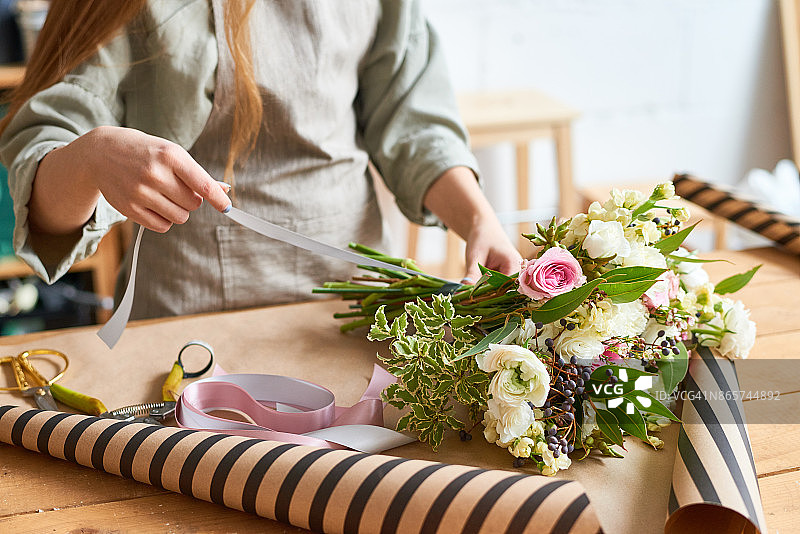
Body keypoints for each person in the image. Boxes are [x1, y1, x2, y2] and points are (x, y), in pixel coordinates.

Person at [0, 0, 521, 320]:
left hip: (360, 311)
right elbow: (44, 199)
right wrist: (90, 159)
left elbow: (411, 120)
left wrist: (478, 219)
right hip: (189, 320)